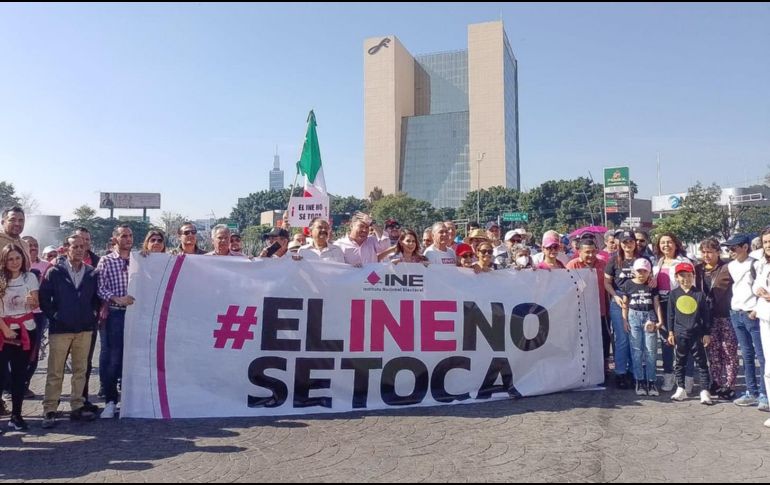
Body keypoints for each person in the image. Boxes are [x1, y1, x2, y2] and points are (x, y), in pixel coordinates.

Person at [38, 234, 101, 428]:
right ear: (67, 248)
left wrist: (92, 315)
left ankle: (77, 406)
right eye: (75, 246)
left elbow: (96, 299)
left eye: (83, 246)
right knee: (55, 371)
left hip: (84, 329)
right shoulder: (55, 271)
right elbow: (44, 298)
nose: (80, 250)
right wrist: (54, 316)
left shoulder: (91, 272)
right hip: (61, 330)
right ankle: (49, 409)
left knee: (80, 370)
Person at [96, 225, 136, 419]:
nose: (128, 239)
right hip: (115, 314)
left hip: (136, 315)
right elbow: (100, 287)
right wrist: (116, 298)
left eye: (130, 236)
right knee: (113, 357)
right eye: (123, 236)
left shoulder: (139, 259)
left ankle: (130, 399)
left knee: (134, 357)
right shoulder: (106, 261)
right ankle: (110, 400)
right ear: (115, 239)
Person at [723, 234, 767, 410]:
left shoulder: (755, 264)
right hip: (736, 313)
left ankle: (765, 393)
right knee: (746, 355)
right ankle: (751, 391)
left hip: (752, 314)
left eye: (733, 248)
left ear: (745, 247)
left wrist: (756, 309)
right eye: (729, 248)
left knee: (762, 355)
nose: (730, 251)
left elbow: (760, 288)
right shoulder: (731, 266)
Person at [0, 243, 39, 431]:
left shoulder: (30, 277)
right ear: (4, 261)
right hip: (3, 330)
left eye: (17, 258)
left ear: (23, 259)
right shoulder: (0, 279)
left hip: (25, 329)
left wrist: (32, 303)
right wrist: (5, 329)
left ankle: (16, 415)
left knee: (19, 375)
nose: (14, 262)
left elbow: (34, 303)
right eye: (10, 259)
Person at [696, 237, 738, 400]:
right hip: (707, 316)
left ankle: (730, 384)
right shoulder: (698, 269)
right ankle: (717, 382)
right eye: (703, 252)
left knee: (729, 351)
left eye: (710, 252)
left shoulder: (727, 267)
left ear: (718, 252)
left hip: (726, 314)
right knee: (712, 352)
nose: (706, 255)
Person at [667, 262, 713, 405]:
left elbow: (705, 315)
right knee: (680, 362)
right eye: (682, 276)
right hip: (680, 334)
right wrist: (670, 332)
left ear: (693, 276)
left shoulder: (699, 294)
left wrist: (706, 333)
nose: (685, 279)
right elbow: (670, 314)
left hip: (696, 334)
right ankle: (680, 388)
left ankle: (704, 391)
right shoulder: (673, 294)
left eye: (688, 275)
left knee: (702, 363)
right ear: (676, 277)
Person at [653, 233, 693, 392]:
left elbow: (691, 285)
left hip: (680, 304)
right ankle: (668, 376)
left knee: (684, 343)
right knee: (666, 343)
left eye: (669, 242)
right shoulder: (657, 262)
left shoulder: (684, 262)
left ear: (676, 244)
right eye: (662, 243)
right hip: (662, 305)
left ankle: (686, 378)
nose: (666, 246)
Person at [566, 238, 610, 377]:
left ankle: (603, 369)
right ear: (579, 252)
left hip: (601, 310)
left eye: (593, 252)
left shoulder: (603, 264)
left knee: (603, 340)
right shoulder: (572, 265)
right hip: (580, 312)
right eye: (587, 252)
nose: (591, 255)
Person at [604, 230, 642, 389]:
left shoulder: (642, 260)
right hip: (619, 301)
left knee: (635, 338)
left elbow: (649, 278)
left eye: (631, 241)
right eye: (625, 242)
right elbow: (607, 283)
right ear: (620, 243)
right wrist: (615, 295)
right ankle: (620, 372)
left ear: (635, 243)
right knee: (621, 338)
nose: (628, 245)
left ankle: (635, 372)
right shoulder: (613, 261)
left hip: (638, 300)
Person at [621, 258, 664, 396]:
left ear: (649, 272)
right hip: (634, 316)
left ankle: (651, 381)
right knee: (636, 351)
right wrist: (625, 320)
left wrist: (660, 320)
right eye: (639, 270)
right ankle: (639, 380)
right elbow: (625, 303)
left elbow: (656, 303)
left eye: (644, 271)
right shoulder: (628, 284)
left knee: (651, 351)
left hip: (649, 317)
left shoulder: (651, 285)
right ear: (634, 271)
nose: (641, 273)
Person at [21, 236, 51, 396]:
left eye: (35, 245)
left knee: (33, 351)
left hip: (38, 315)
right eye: (29, 245)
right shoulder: (15, 263)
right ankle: (10, 385)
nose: (33, 248)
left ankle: (24, 383)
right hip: (17, 315)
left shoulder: (46, 266)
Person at [751, 228, 770, 427]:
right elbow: (756, 285)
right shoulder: (761, 264)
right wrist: (759, 290)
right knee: (768, 367)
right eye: (765, 242)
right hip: (765, 318)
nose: (768, 245)